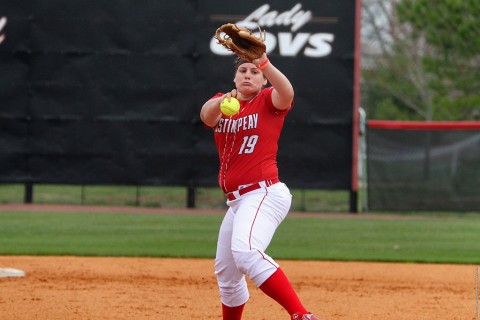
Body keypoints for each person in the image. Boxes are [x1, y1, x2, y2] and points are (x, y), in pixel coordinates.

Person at [200, 51, 321, 320]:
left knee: (246, 252)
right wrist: (221, 101)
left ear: (264, 80)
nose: (248, 75)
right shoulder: (222, 103)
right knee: (227, 274)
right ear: (234, 77)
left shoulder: (268, 101)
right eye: (243, 70)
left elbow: (287, 92)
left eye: (255, 73)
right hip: (237, 202)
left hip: (264, 192)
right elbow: (206, 117)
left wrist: (263, 62)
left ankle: (301, 315)